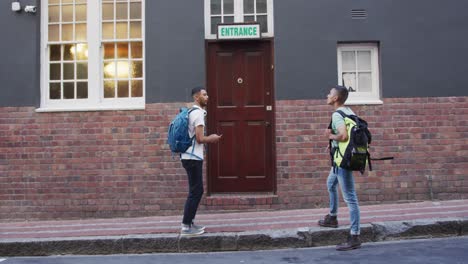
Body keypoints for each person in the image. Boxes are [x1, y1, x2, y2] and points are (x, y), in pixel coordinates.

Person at [318, 85, 362, 250]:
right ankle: (332, 217)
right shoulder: (349, 111)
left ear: (336, 98)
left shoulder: (337, 115)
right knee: (330, 184)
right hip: (341, 158)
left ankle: (355, 235)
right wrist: (333, 142)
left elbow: (343, 135)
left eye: (329, 94)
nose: (327, 95)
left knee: (350, 197)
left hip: (343, 160)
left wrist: (331, 136)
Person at [180, 86, 222, 236]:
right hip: (192, 157)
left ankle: (189, 222)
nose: (207, 96)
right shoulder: (197, 114)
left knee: (195, 190)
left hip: (189, 156)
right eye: (204, 94)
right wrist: (212, 138)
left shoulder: (192, 112)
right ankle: (186, 226)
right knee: (196, 191)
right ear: (196, 98)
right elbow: (199, 138)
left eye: (207, 93)